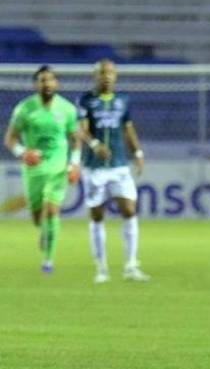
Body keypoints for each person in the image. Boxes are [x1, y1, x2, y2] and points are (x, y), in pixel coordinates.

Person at [77, 59, 150, 283]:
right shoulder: (85, 100)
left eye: (110, 73)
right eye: (102, 73)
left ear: (115, 76)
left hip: (119, 165)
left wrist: (137, 153)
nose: (106, 77)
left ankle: (130, 265)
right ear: (95, 76)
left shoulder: (122, 100)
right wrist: (94, 145)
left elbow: (128, 129)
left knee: (129, 209)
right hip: (94, 167)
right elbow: (81, 129)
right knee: (97, 215)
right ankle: (101, 267)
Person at [4, 65, 81, 274]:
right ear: (35, 84)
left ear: (56, 83)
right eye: (42, 80)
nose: (46, 84)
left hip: (57, 167)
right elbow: (10, 139)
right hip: (33, 168)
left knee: (51, 208)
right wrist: (22, 152)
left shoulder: (67, 109)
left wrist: (74, 162)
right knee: (38, 216)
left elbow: (76, 141)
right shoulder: (25, 109)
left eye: (50, 80)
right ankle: (44, 231)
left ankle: (48, 260)